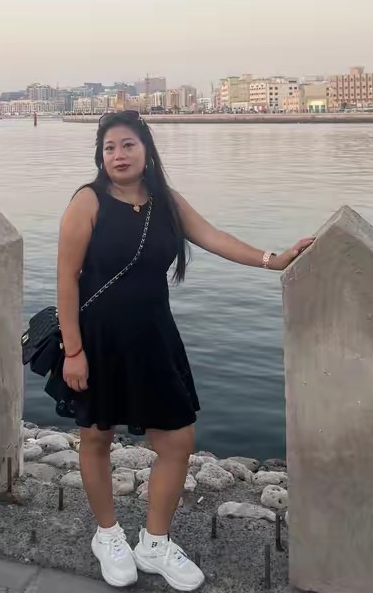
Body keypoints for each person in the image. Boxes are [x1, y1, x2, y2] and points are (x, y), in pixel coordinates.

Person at [57, 110, 314, 591]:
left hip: (155, 338)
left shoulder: (167, 202)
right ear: (100, 156)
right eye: (110, 147)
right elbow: (66, 279)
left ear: (146, 150)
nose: (119, 155)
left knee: (177, 441)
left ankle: (154, 543)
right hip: (98, 341)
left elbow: (214, 237)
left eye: (128, 145)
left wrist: (272, 259)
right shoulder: (87, 202)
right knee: (96, 437)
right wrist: (74, 351)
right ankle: (107, 535)